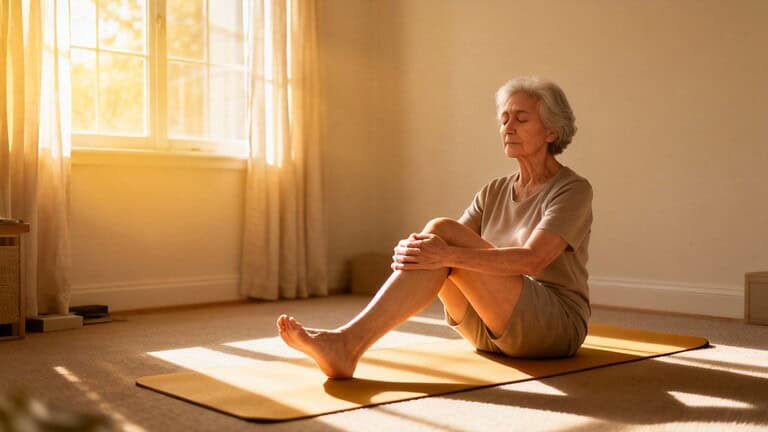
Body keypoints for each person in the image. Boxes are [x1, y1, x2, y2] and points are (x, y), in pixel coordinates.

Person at [277, 76, 593, 379]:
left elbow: (531, 260)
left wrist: (442, 254)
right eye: (504, 119)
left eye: (521, 119)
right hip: (488, 329)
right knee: (438, 233)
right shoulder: (495, 190)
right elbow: (440, 248)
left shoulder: (572, 190)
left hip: (552, 327)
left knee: (443, 239)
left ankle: (346, 343)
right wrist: (417, 249)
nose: (508, 127)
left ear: (551, 131)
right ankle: (349, 342)